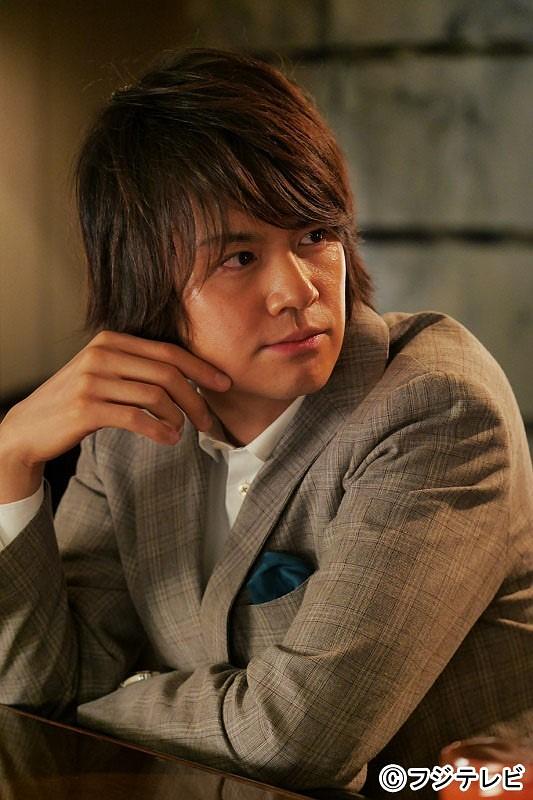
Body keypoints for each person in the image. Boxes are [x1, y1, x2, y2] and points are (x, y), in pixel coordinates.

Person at [0, 47, 531, 800]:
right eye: (240, 257)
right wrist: (9, 461)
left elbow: (294, 739)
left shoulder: (436, 407)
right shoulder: (130, 431)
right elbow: (39, 681)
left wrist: (102, 707)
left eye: (314, 235)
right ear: (145, 280)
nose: (298, 290)